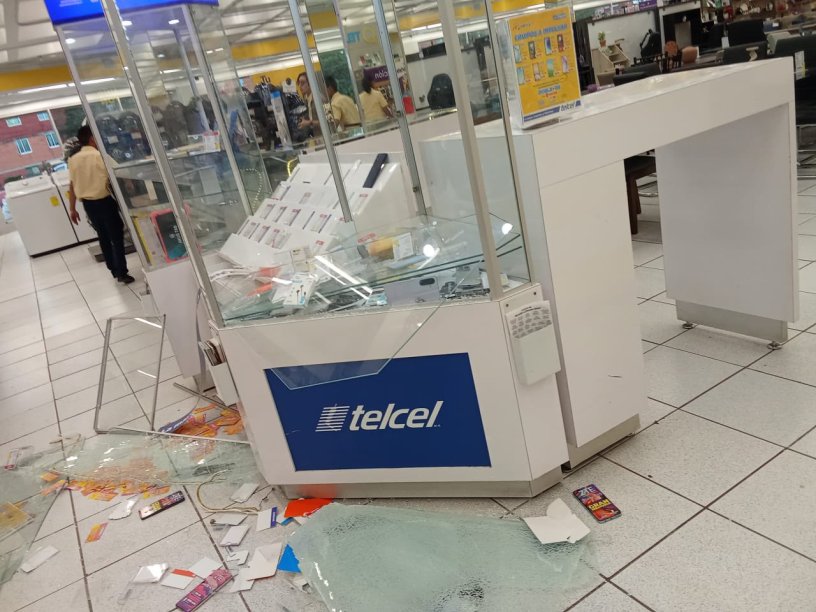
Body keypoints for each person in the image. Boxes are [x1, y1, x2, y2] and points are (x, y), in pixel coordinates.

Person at [68, 125, 134, 284]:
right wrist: (130, 186)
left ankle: (113, 269)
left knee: (103, 236)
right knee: (116, 237)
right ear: (92, 138)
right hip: (105, 202)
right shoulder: (101, 156)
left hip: (89, 205)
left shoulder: (73, 159)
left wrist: (72, 209)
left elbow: (72, 185)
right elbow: (122, 174)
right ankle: (122, 272)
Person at [296, 71, 320, 137]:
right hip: (316, 137)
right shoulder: (305, 100)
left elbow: (328, 122)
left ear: (310, 82)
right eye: (299, 83)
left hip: (324, 136)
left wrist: (309, 123)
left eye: (303, 83)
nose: (300, 86)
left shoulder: (319, 99)